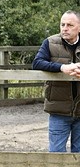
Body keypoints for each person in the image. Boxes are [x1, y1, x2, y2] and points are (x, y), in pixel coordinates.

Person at [31, 10, 80, 152]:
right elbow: (37, 63)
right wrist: (62, 67)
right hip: (59, 110)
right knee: (56, 154)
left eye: (70, 25)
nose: (65, 28)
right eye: (62, 24)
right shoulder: (50, 42)